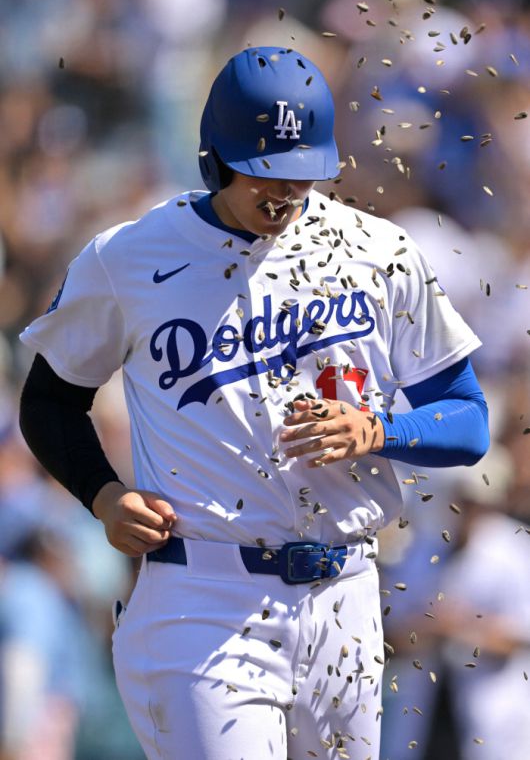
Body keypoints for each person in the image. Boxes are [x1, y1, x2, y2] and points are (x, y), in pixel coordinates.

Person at [18, 46, 490, 760]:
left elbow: (468, 418)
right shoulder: (131, 257)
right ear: (215, 157)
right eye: (267, 173)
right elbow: (50, 400)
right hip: (204, 594)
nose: (286, 193)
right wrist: (102, 493)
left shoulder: (377, 250)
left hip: (348, 596)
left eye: (303, 173)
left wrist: (378, 430)